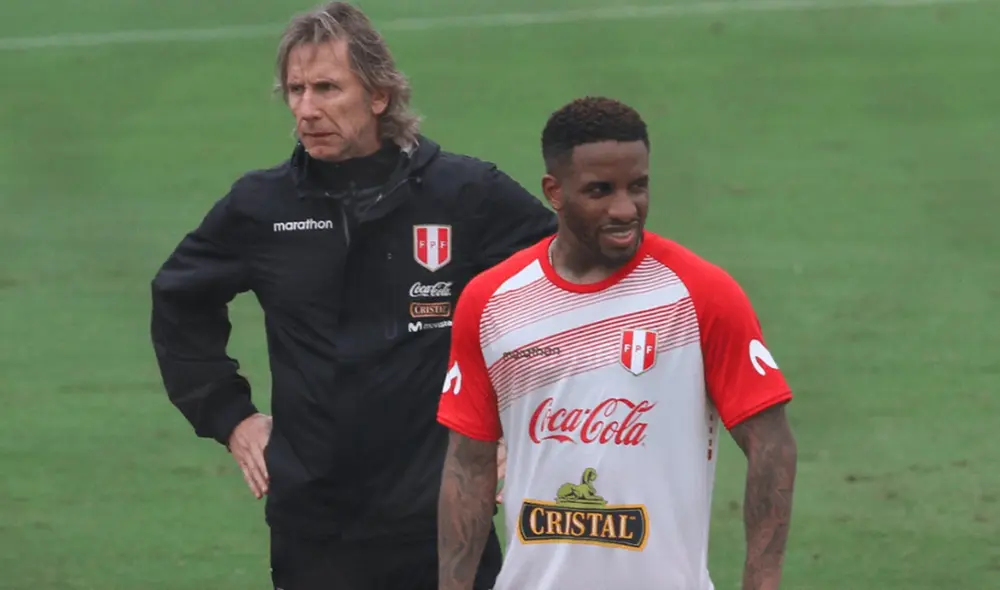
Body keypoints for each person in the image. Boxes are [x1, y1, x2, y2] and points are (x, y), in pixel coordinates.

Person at [149, 3, 555, 589]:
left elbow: (568, 284)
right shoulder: (261, 207)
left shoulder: (463, 193)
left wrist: (521, 427)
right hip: (314, 527)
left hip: (443, 520)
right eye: (295, 89)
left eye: (327, 88)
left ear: (379, 95)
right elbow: (179, 298)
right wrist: (230, 416)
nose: (306, 109)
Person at [436, 96, 798, 590]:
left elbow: (772, 443)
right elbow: (468, 464)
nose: (625, 209)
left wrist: (762, 581)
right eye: (600, 191)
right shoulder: (491, 302)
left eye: (638, 186)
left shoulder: (700, 294)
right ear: (554, 191)